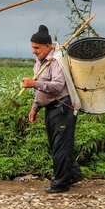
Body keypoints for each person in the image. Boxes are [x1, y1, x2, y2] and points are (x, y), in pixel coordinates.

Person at [22, 25, 82, 193]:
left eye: (37, 48)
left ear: (47, 46)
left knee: (61, 147)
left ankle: (61, 183)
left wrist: (34, 83)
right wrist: (35, 108)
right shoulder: (39, 62)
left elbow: (57, 86)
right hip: (51, 108)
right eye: (32, 47)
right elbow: (41, 90)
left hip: (63, 107)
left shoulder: (56, 60)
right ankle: (74, 175)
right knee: (57, 145)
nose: (33, 51)